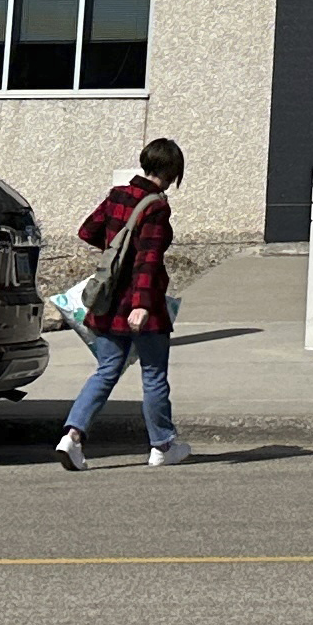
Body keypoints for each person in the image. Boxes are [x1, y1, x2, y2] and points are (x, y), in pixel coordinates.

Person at [57, 137, 188, 470]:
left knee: (105, 371)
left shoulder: (118, 194)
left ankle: (72, 437)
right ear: (172, 171)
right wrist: (141, 305)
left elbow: (88, 231)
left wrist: (116, 250)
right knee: (154, 374)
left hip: (107, 302)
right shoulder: (156, 206)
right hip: (141, 303)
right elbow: (149, 258)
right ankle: (162, 445)